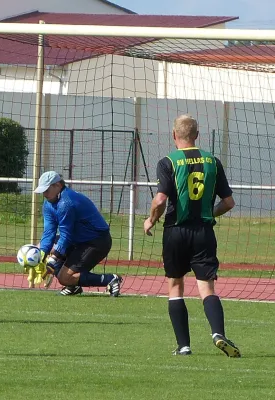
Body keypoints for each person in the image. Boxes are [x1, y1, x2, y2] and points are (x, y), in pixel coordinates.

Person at [144, 114, 240, 357]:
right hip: (203, 232)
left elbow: (160, 199)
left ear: (174, 136)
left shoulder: (168, 162)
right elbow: (229, 202)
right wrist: (210, 213)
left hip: (175, 231)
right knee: (207, 289)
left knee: (175, 286)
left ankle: (184, 346)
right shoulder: (213, 161)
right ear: (197, 135)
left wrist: (151, 219)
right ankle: (218, 333)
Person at [35, 171, 122, 296]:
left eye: (47, 190)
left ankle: (111, 279)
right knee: (45, 247)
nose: (44, 194)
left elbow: (66, 235)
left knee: (63, 277)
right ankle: (73, 286)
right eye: (43, 191)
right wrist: (42, 254)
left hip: (96, 242)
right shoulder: (48, 204)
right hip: (78, 241)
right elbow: (49, 232)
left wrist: (52, 260)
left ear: (58, 185)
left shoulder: (66, 203)